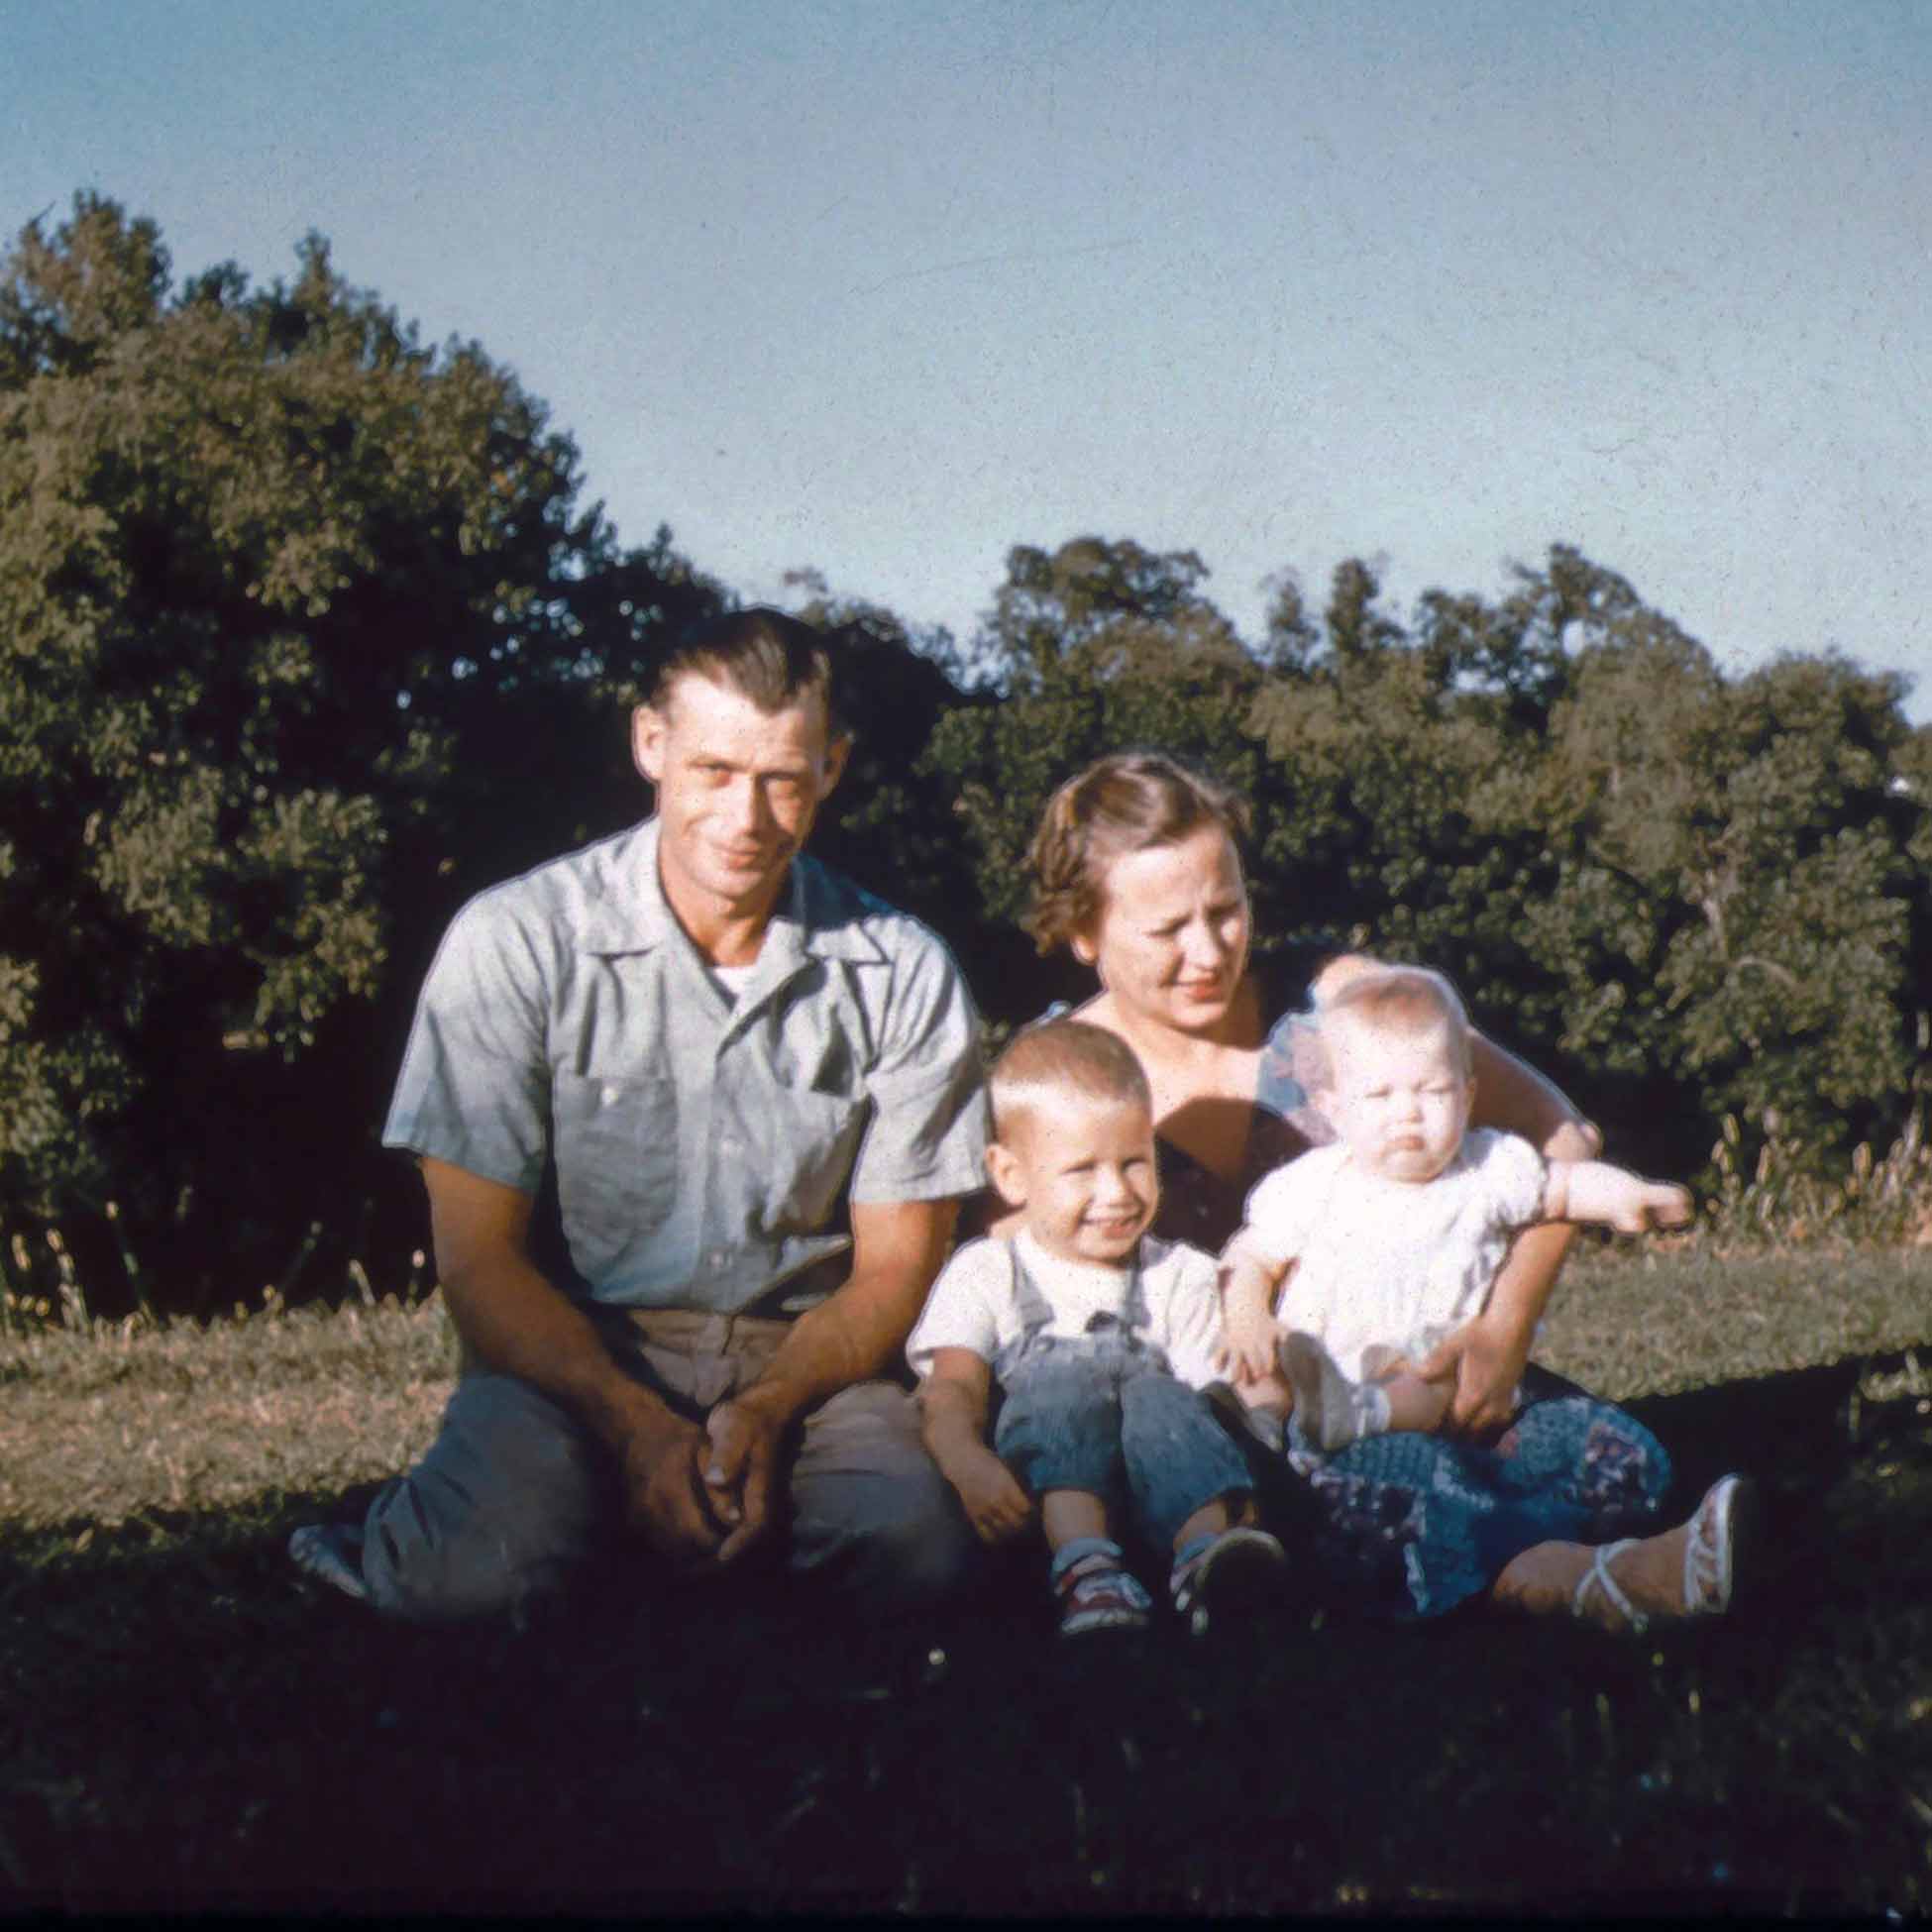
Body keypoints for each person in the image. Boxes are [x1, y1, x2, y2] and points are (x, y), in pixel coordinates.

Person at [287, 609, 989, 1622]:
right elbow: (478, 1261)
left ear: (832, 769)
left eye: (783, 778)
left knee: (918, 1554)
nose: (745, 816)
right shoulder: (515, 939)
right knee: (470, 1583)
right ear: (649, 746)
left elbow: (895, 1268)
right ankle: (395, 1531)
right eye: (712, 770)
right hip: (580, 1347)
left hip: (809, 1356)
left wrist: (768, 1409)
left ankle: (655, 1536)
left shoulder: (905, 969)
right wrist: (634, 1428)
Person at [1017, 750, 1753, 1633]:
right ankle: (1571, 1579)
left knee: (1616, 1463)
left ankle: (1526, 1555)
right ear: (1084, 932)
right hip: (1243, 1437)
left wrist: (1504, 1328)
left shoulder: (1341, 1003)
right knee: (1341, 1506)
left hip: (1433, 1374)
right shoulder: (1057, 1083)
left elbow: (1561, 1134)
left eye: (1227, 910)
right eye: (1168, 929)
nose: (1209, 951)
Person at [1219, 963, 1695, 1454]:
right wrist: (1248, 1314)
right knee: (1260, 1376)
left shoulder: (1487, 1168)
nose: (1407, 1111)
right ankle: (1270, 1437)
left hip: (1433, 1371)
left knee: (1430, 1380)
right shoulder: (1312, 1183)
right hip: (1321, 1367)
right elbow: (1251, 1255)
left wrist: (1627, 1196)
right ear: (1334, 1108)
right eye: (1380, 1095)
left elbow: (1566, 1187)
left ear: (1467, 1096)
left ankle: (1361, 1420)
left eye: (1433, 1091)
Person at [909, 1020, 1287, 1637]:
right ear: (1011, 1176)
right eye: (1082, 1170)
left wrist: (1249, 1453)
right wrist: (964, 1458)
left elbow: (1215, 1396)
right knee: (1063, 1371)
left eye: (1135, 1163)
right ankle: (1086, 1569)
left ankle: (1209, 1561)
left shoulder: (1180, 1274)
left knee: (1160, 1394)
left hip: (1163, 1494)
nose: (1116, 1193)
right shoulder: (989, 1270)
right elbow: (952, 1387)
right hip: (1039, 1511)